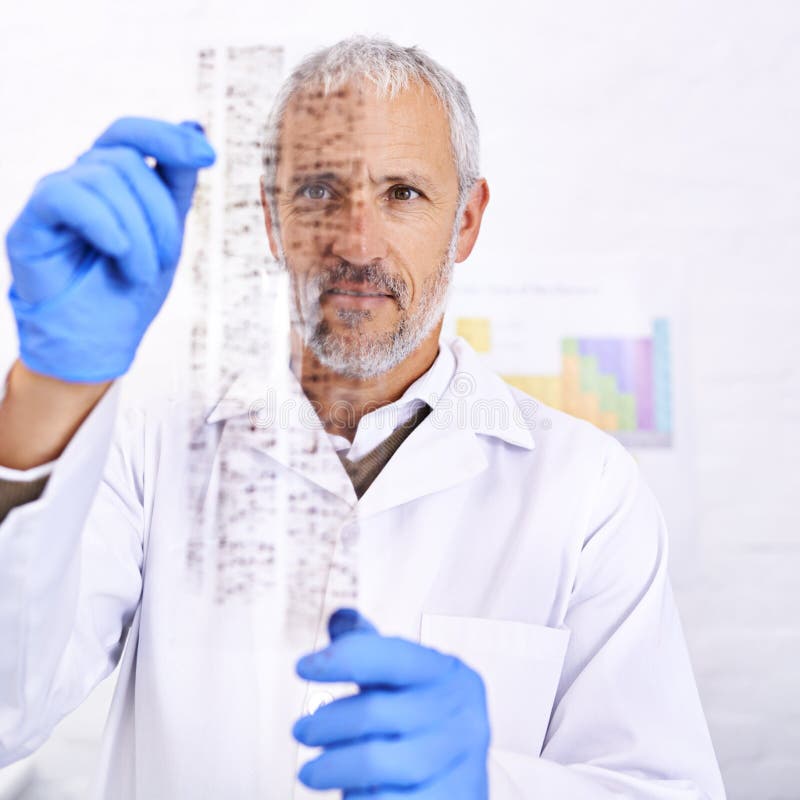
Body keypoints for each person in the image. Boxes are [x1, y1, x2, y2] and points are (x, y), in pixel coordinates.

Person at [0, 36, 726, 799]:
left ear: (467, 222)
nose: (357, 242)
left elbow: (663, 787)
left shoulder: (586, 491)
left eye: (402, 193)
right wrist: (47, 392)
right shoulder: (150, 441)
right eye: (318, 190)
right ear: (272, 223)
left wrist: (491, 786)